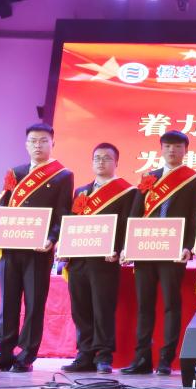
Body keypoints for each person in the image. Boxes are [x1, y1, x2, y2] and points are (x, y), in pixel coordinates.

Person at [0, 123, 74, 373]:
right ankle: (4, 352)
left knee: (34, 304)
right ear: (26, 144)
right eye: (33, 141)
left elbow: (63, 211)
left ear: (53, 143)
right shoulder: (16, 172)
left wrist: (52, 238)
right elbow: (2, 205)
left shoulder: (63, 175)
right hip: (10, 246)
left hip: (39, 250)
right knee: (7, 301)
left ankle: (26, 355)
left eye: (43, 141)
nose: (37, 145)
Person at [121, 130, 196, 376]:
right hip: (145, 249)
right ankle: (141, 359)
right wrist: (128, 244)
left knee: (171, 305)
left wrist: (188, 246)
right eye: (168, 146)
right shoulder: (149, 177)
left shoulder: (195, 179)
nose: (172, 150)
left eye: (177, 146)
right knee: (144, 306)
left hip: (173, 251)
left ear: (185, 150)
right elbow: (135, 213)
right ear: (161, 149)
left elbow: (195, 215)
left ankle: (166, 360)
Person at [61, 142, 136, 374]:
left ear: (116, 162)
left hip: (105, 260)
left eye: (106, 158)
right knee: (80, 309)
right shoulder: (81, 192)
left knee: (103, 308)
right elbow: (72, 223)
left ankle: (103, 356)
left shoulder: (128, 191)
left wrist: (120, 249)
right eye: (97, 158)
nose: (101, 162)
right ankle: (84, 354)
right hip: (78, 259)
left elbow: (127, 225)